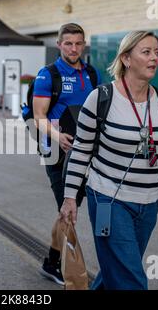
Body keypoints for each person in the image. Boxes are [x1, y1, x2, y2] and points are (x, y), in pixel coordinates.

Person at [61, 30, 158, 290]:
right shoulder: (101, 98)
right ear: (126, 58)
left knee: (116, 269)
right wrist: (70, 197)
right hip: (108, 200)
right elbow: (81, 150)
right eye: (146, 52)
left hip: (148, 205)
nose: (154, 58)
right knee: (130, 280)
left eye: (157, 52)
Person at [32, 23, 101, 285]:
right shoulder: (47, 74)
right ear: (59, 44)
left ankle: (51, 261)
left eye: (78, 43)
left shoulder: (92, 74)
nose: (74, 48)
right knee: (67, 210)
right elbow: (38, 117)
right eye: (68, 43)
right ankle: (57, 264)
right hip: (56, 152)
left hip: (84, 152)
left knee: (68, 210)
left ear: (84, 45)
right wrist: (58, 136)